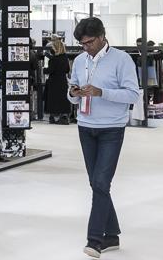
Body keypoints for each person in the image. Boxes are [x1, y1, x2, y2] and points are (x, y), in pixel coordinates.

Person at [67, 17, 140, 258]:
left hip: (111, 129)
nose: (85, 47)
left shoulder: (122, 59)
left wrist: (101, 92)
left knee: (100, 183)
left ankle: (95, 239)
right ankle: (112, 235)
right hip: (85, 126)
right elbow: (72, 95)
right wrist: (74, 93)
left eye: (89, 42)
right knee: (97, 183)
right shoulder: (79, 61)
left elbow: (132, 95)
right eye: (82, 44)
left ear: (101, 37)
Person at [46, 37, 72, 124]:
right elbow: (67, 70)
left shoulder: (53, 59)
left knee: (53, 99)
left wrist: (44, 69)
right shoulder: (65, 57)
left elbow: (50, 70)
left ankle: (53, 117)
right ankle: (64, 117)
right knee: (63, 99)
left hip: (54, 81)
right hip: (62, 81)